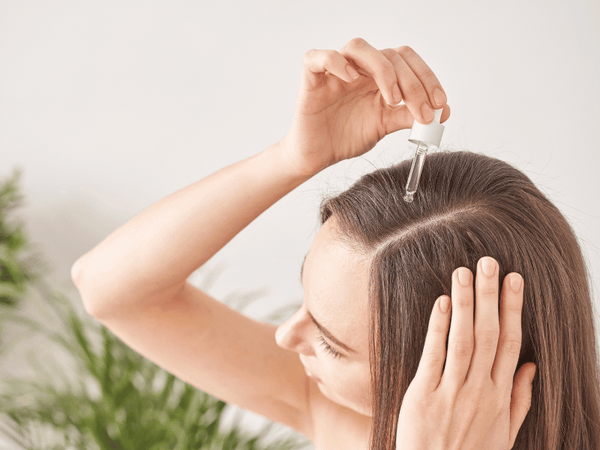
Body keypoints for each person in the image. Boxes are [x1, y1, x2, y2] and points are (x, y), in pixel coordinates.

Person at [71, 38, 600, 449]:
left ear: (451, 370)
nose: (286, 336)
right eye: (306, 305)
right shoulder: (343, 415)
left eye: (331, 343)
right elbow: (111, 291)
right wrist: (294, 156)